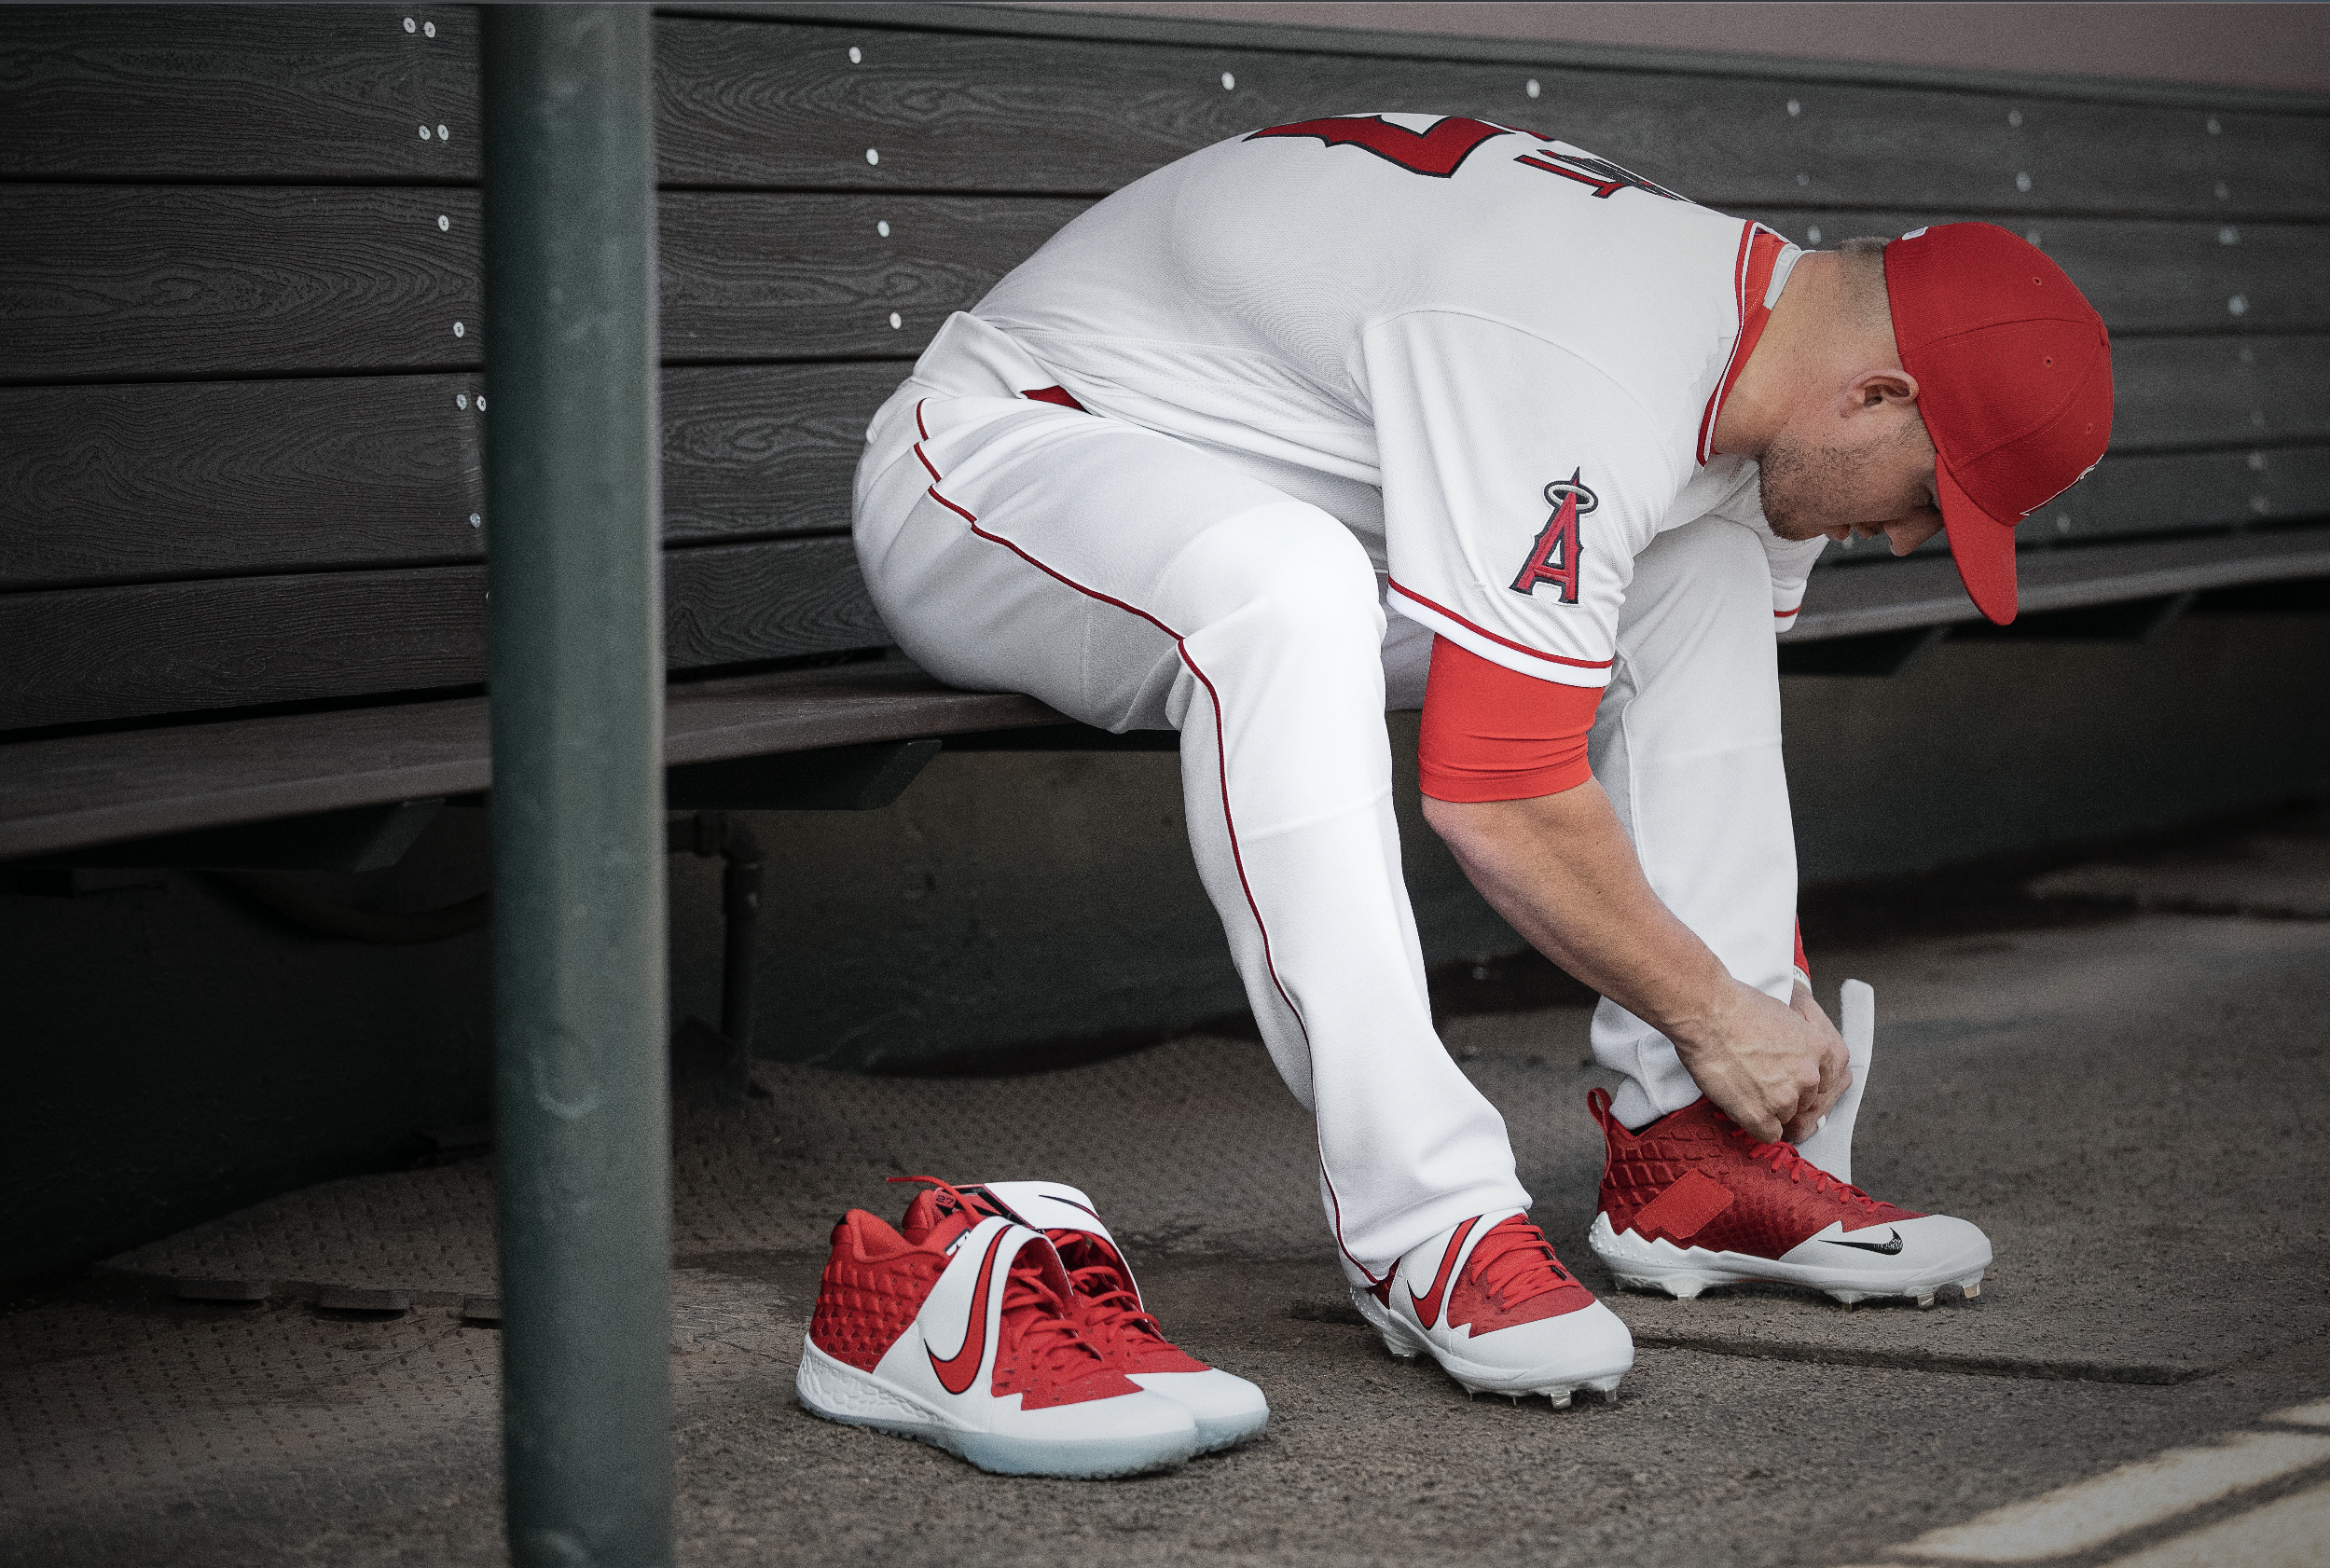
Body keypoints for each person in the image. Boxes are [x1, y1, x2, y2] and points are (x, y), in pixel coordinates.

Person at [845, 113, 2114, 1403]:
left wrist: (1750, 998)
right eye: (1925, 497)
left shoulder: (1763, 369)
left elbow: (1674, 726)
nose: (1908, 540)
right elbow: (1499, 795)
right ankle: (1427, 1222)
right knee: (1288, 594)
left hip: (1279, 495)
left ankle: (1697, 1156)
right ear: (1876, 396)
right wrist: (1713, 1006)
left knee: (1699, 563)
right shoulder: (1589, 358)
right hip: (1002, 460)